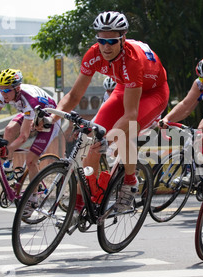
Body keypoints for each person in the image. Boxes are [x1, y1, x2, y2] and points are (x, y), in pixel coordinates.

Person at [43, 11, 169, 213]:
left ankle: (130, 182)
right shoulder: (93, 54)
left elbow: (130, 115)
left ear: (123, 38)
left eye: (112, 41)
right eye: (102, 41)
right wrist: (52, 116)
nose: (106, 46)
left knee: (122, 133)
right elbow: (74, 96)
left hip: (153, 93)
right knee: (92, 140)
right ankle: (87, 199)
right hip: (125, 87)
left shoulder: (132, 60)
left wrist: (108, 139)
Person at [0, 69, 60, 210]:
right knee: (9, 130)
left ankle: (34, 198)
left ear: (17, 88)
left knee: (30, 160)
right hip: (30, 114)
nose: (3, 94)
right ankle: (8, 167)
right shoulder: (4, 95)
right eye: (1, 90)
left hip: (48, 119)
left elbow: (24, 136)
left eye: (6, 91)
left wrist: (10, 148)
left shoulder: (29, 100)